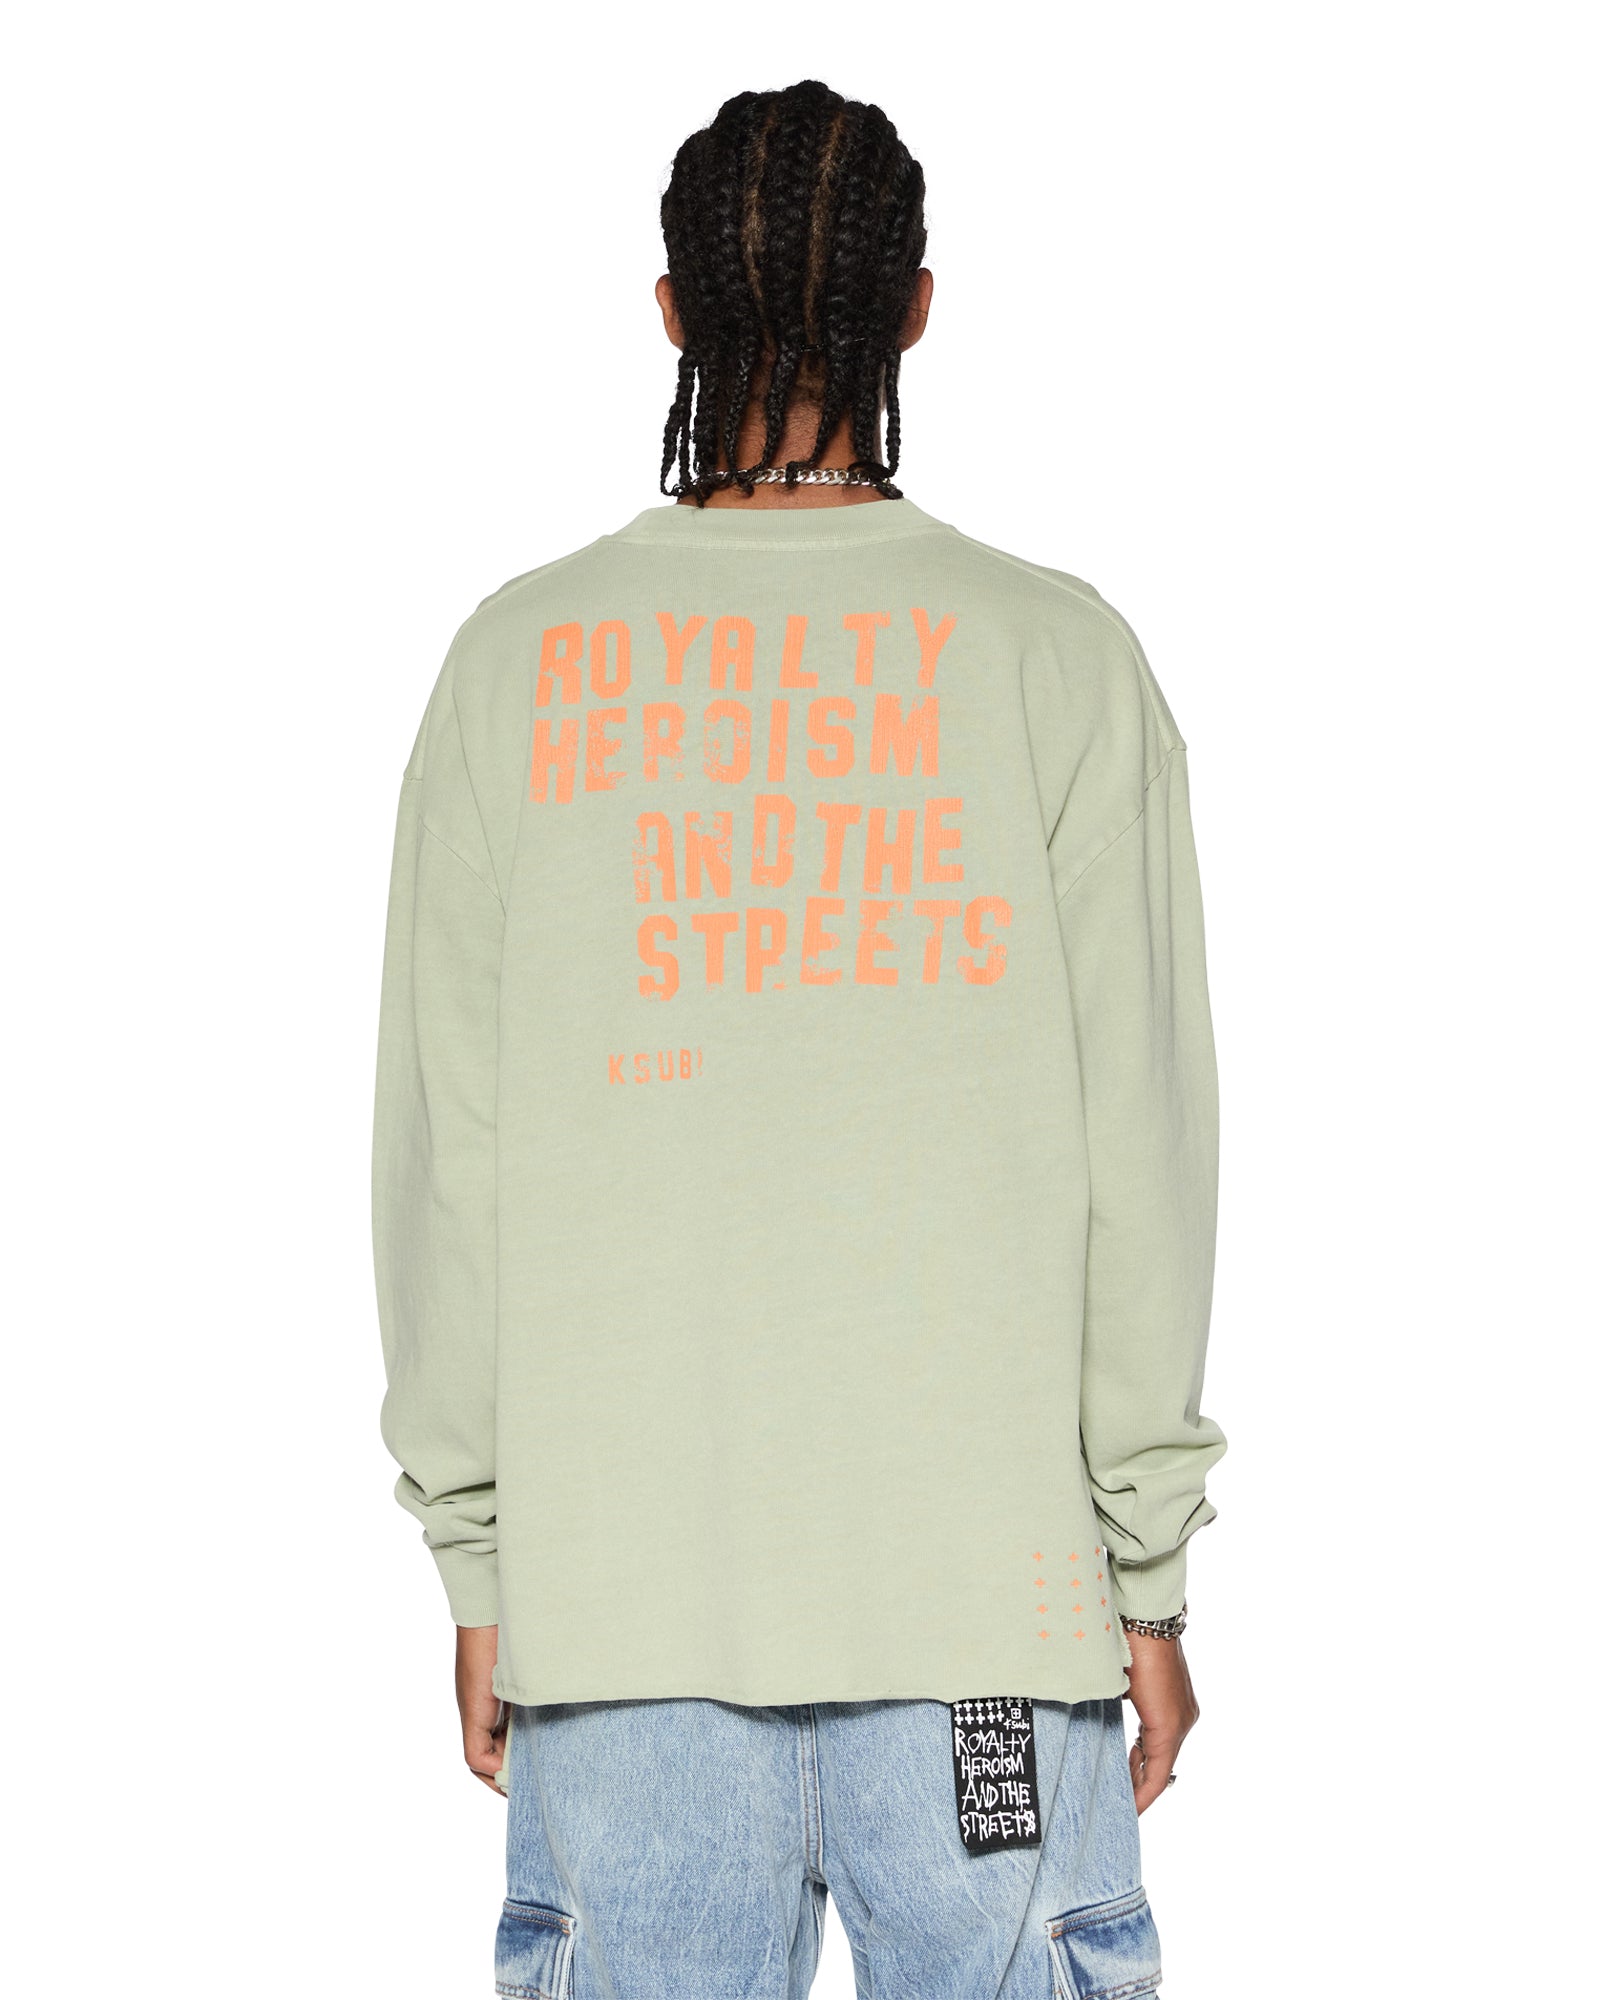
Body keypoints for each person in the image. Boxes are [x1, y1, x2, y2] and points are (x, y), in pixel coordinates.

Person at [372, 78, 1227, 2000]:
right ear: (915, 310)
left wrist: (484, 1564)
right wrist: (1148, 1573)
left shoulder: (515, 663)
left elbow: (447, 1169)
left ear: (670, 313)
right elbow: (1145, 1165)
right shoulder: (1057, 659)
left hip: (624, 1629)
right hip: (992, 1629)